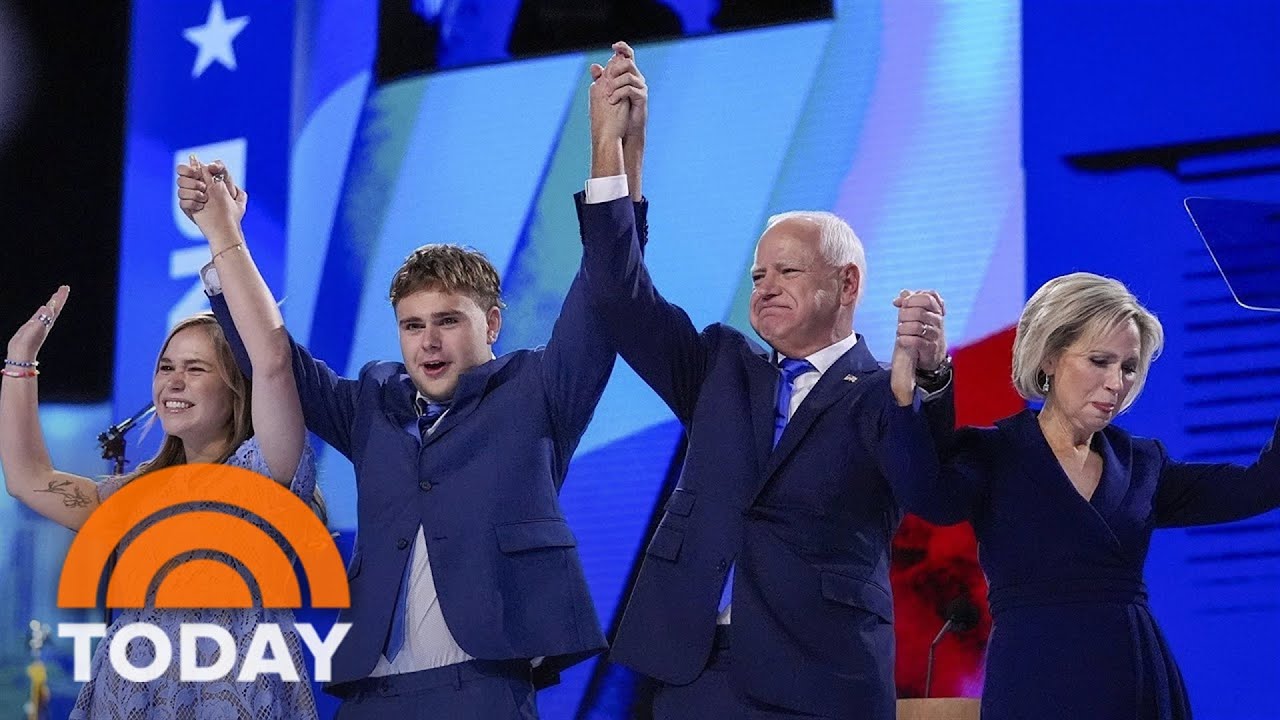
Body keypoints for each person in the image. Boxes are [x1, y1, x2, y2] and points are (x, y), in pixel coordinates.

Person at [175, 141, 647, 719]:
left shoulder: (537, 389)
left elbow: (602, 293)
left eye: (448, 321)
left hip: (482, 688)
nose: (428, 341)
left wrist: (612, 150)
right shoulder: (371, 403)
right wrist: (226, 239)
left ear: (492, 322)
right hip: (370, 693)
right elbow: (270, 355)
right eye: (412, 325)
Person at [577, 42, 955, 719]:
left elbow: (927, 485)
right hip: (693, 676)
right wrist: (616, 155)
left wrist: (923, 379)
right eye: (757, 276)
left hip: (819, 681)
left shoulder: (882, 394)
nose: (765, 288)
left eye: (786, 271)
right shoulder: (722, 367)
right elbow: (617, 296)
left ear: (847, 284)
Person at [883, 271, 1280, 718]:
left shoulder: (1143, 462)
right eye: (1099, 361)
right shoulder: (995, 452)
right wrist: (916, 381)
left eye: (1129, 367)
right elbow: (924, 494)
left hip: (1135, 680)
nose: (1117, 382)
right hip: (1034, 680)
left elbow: (1260, 487)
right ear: (1049, 358)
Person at [1, 164, 320, 718]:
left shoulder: (265, 473)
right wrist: (20, 361)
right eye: (166, 366)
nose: (173, 380)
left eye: (195, 369)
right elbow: (28, 480)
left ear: (234, 389)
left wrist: (225, 235)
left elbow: (270, 361)